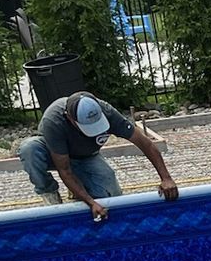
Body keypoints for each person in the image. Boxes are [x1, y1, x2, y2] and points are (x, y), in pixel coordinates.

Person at [18, 92, 177, 223]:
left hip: (86, 157)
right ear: (69, 118)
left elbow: (145, 143)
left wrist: (166, 178)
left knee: (112, 198)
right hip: (56, 154)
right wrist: (91, 203)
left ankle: (78, 188)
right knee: (29, 150)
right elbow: (64, 170)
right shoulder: (53, 121)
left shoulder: (107, 111)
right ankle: (49, 194)